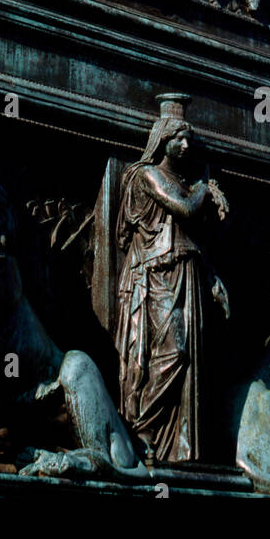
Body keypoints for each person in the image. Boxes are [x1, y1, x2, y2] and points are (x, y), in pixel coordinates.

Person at [115, 104, 228, 462]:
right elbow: (185, 209)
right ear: (162, 140)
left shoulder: (183, 181)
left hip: (186, 271)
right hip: (157, 275)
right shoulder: (148, 175)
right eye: (178, 138)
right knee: (172, 352)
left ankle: (175, 447)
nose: (184, 145)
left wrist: (211, 277)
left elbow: (190, 233)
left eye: (188, 139)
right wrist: (205, 189)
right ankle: (142, 427)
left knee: (190, 357)